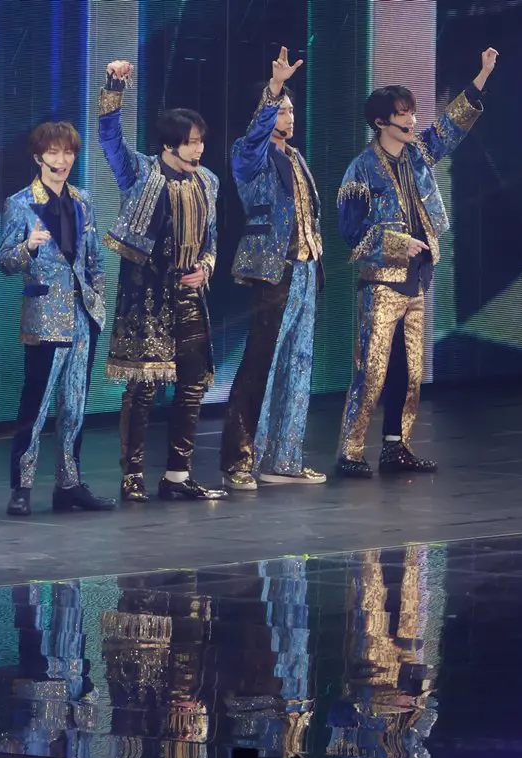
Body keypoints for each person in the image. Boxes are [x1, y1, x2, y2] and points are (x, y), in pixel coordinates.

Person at [336, 47, 498, 477]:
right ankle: (351, 451)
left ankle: (396, 447)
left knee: (410, 370)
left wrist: (481, 75)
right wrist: (395, 243)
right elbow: (350, 232)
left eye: (412, 112)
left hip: (417, 278)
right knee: (372, 369)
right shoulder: (361, 170)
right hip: (381, 282)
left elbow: (451, 127)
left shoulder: (419, 153)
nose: (411, 120)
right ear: (381, 123)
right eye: (402, 114)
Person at [97, 60, 226, 502]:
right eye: (191, 142)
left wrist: (206, 267)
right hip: (148, 295)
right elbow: (109, 138)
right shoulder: (141, 172)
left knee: (192, 386)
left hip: (190, 296)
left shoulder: (207, 181)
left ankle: (177, 475)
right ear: (170, 145)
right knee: (143, 388)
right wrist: (115, 86)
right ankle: (132, 474)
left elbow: (211, 238)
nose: (199, 149)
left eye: (201, 141)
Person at [219, 47, 326, 491]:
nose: (289, 116)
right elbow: (254, 139)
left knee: (299, 363)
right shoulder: (250, 155)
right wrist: (274, 88)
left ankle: (284, 458)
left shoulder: (296, 158)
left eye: (291, 109)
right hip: (273, 269)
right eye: (282, 109)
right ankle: (239, 458)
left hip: (305, 268)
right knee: (260, 362)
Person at [0, 120, 115, 516]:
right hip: (45, 315)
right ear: (38, 157)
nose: (61, 160)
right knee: (36, 404)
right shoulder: (19, 203)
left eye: (67, 153)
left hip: (82, 315)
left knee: (75, 404)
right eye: (53, 152)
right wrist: (27, 247)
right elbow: (4, 261)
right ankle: (21, 487)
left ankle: (69, 484)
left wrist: (97, 303)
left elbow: (94, 258)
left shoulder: (83, 200)